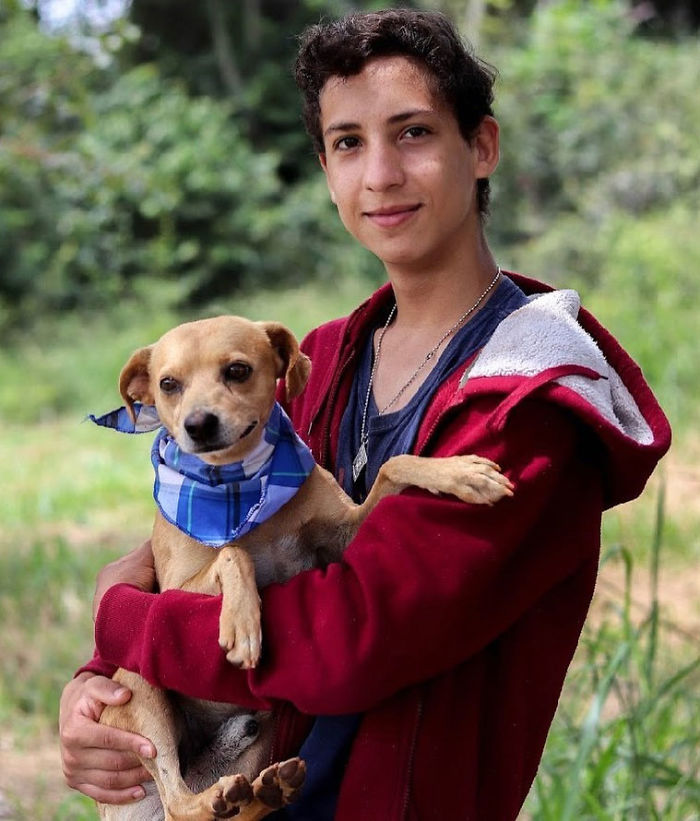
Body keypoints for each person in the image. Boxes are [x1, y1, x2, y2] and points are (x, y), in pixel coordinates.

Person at [59, 8, 671, 820]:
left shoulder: (534, 401)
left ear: (481, 146)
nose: (379, 173)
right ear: (324, 167)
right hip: (244, 787)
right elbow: (192, 540)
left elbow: (352, 641)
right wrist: (94, 686)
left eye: (413, 133)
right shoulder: (314, 361)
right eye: (348, 142)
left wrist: (123, 619)